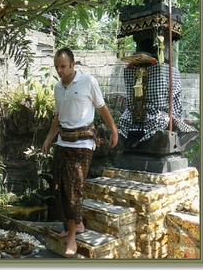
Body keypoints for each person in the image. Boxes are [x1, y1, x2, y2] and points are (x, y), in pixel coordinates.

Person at [42, 47, 118, 257]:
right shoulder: (58, 88)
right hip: (62, 141)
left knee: (74, 187)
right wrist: (49, 138)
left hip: (83, 143)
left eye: (63, 66)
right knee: (59, 185)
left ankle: (72, 237)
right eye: (57, 67)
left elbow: (102, 107)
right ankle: (77, 224)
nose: (60, 70)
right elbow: (58, 117)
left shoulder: (88, 81)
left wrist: (113, 129)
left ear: (73, 65)